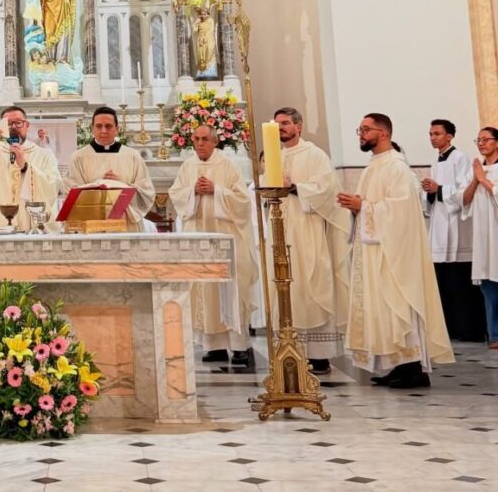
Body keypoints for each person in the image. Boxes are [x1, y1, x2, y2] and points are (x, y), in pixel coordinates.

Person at [337, 113, 453, 387]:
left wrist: (362, 207)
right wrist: (358, 206)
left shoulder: (397, 167)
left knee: (397, 303)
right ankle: (397, 364)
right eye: (360, 130)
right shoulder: (373, 166)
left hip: (395, 254)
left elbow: (400, 212)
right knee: (383, 307)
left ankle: (413, 368)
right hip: (377, 249)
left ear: (384, 133)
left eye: (366, 130)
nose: (361, 135)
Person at [169, 124, 258, 366]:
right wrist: (192, 192)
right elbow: (176, 195)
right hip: (200, 243)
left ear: (215, 141)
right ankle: (214, 346)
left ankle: (240, 347)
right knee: (204, 293)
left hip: (228, 242)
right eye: (196, 139)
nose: (200, 143)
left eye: (205, 139)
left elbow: (242, 202)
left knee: (231, 293)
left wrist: (216, 191)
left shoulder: (229, 166)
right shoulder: (187, 166)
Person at [270, 107, 350, 374]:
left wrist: (293, 187)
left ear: (298, 126)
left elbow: (326, 189)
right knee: (288, 287)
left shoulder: (315, 154)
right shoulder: (274, 157)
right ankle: (292, 351)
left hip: (309, 230)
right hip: (283, 228)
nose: (280, 127)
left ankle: (320, 355)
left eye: (284, 123)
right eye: (276, 123)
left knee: (313, 282)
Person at [423, 118, 485, 341]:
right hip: (440, 226)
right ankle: (450, 328)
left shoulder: (461, 159)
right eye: (430, 134)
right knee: (444, 282)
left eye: (437, 134)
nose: (432, 138)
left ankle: (470, 330)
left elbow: (463, 192)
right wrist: (429, 192)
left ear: (449, 136)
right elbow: (434, 196)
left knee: (460, 282)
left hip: (458, 227)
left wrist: (438, 188)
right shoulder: (435, 161)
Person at [65, 106, 155, 231]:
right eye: (98, 126)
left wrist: (124, 185)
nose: (103, 130)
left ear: (117, 129)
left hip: (126, 224)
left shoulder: (132, 156)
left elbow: (147, 192)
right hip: (91, 224)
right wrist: (97, 186)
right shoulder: (79, 157)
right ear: (92, 129)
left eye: (108, 126)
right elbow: (70, 191)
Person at [0, 106, 61, 231]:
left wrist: (25, 167)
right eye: (8, 124)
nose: (13, 127)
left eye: (18, 123)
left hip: (31, 227)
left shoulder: (44, 154)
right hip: (0, 227)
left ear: (27, 125)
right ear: (1, 128)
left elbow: (53, 183)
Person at [460, 126, 498, 349]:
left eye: (486, 139)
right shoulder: (476, 171)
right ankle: (494, 334)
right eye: (478, 140)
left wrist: (483, 179)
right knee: (488, 284)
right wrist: (476, 179)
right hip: (484, 237)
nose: (481, 143)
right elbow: (464, 201)